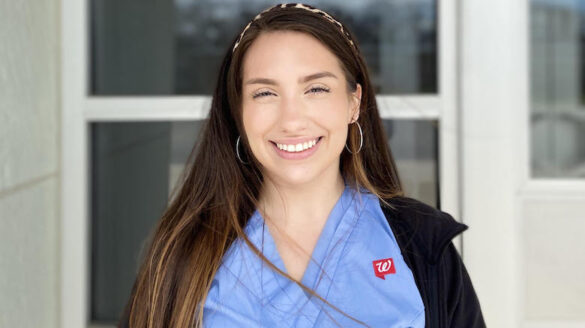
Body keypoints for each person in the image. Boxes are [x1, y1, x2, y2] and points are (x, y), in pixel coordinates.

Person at [119, 3, 485, 327]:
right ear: (237, 111)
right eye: (265, 93)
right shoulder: (183, 252)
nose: (291, 120)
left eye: (316, 89)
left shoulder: (422, 247)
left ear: (353, 103)